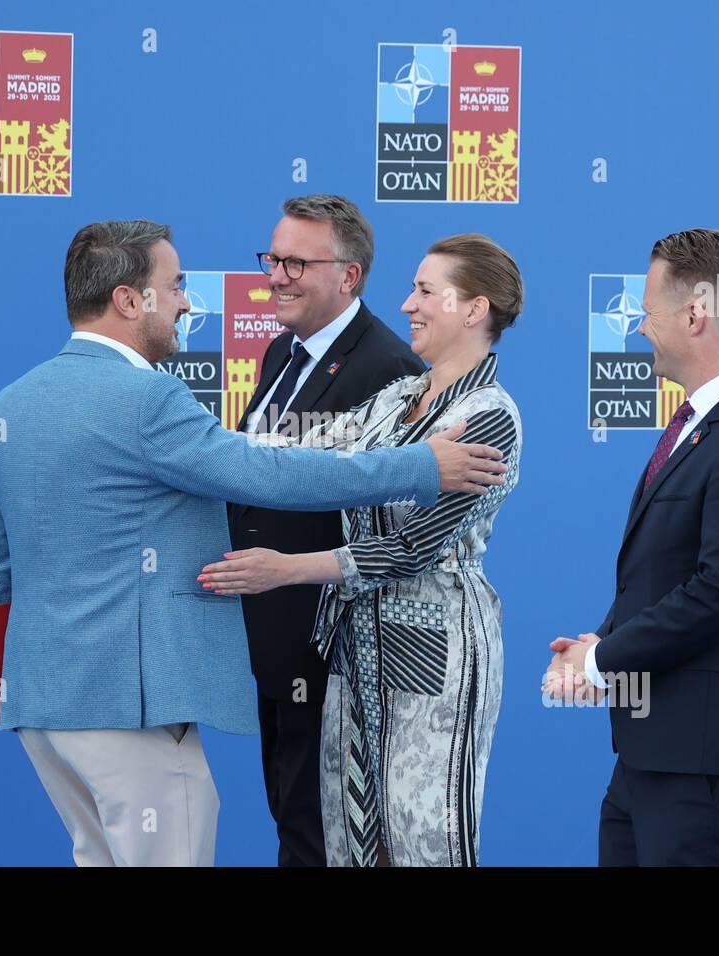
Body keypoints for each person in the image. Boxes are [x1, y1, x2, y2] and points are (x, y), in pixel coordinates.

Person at [0, 219, 507, 867]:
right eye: (173, 287)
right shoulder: (147, 400)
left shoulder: (9, 405)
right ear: (127, 301)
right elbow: (263, 472)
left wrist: (5, 687)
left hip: (41, 707)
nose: (188, 303)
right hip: (129, 708)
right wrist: (422, 467)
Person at [201, 234, 524, 866]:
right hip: (356, 654)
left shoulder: (492, 416)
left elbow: (414, 548)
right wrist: (195, 448)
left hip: (436, 662)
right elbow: (308, 450)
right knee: (349, 846)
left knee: (424, 844)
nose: (407, 304)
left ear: (474, 308)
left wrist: (286, 570)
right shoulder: (400, 397)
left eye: (427, 291)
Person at [544, 228, 719, 866]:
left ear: (695, 315)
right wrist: (600, 642)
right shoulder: (699, 426)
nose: (639, 328)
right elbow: (665, 574)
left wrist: (602, 657)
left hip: (705, 760)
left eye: (647, 311)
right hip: (652, 754)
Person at [227, 195, 424, 867]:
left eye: (296, 263)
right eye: (272, 258)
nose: (276, 276)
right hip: (271, 637)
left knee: (320, 837)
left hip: (332, 646)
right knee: (292, 819)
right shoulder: (280, 353)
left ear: (350, 275)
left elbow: (386, 519)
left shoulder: (388, 369)